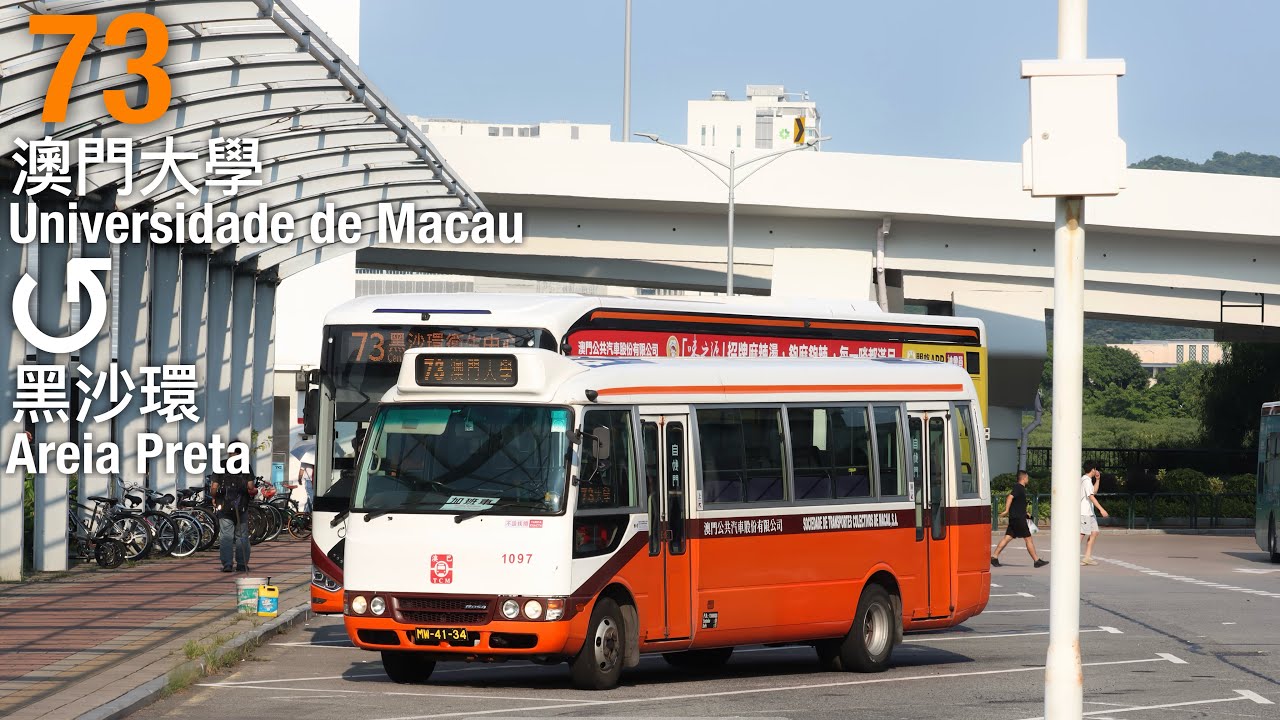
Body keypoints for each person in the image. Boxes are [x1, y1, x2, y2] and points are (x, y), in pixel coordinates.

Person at [991, 471, 1048, 568]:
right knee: (1028, 539)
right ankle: (1036, 560)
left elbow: (1017, 503)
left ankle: (994, 557)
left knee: (1007, 537)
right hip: (1018, 519)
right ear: (1024, 478)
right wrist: (1006, 510)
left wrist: (1025, 513)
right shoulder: (1019, 488)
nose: (1028, 479)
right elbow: (1010, 497)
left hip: (1016, 518)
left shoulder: (1020, 488)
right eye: (1027, 478)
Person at [211, 470, 256, 573]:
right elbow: (250, 487)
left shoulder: (221, 465)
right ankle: (242, 564)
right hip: (241, 506)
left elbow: (214, 487)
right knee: (242, 536)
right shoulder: (245, 466)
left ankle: (227, 564)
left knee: (226, 536)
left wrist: (214, 497)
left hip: (224, 507)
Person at [1080, 460, 1109, 566]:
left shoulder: (1087, 480)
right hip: (1084, 512)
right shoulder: (1086, 481)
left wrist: (1098, 480)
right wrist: (1101, 509)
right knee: (1081, 534)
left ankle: (1087, 557)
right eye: (1095, 469)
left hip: (1089, 512)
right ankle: (1070, 557)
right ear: (1093, 469)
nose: (1096, 470)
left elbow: (1094, 492)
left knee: (1094, 532)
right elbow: (1091, 496)